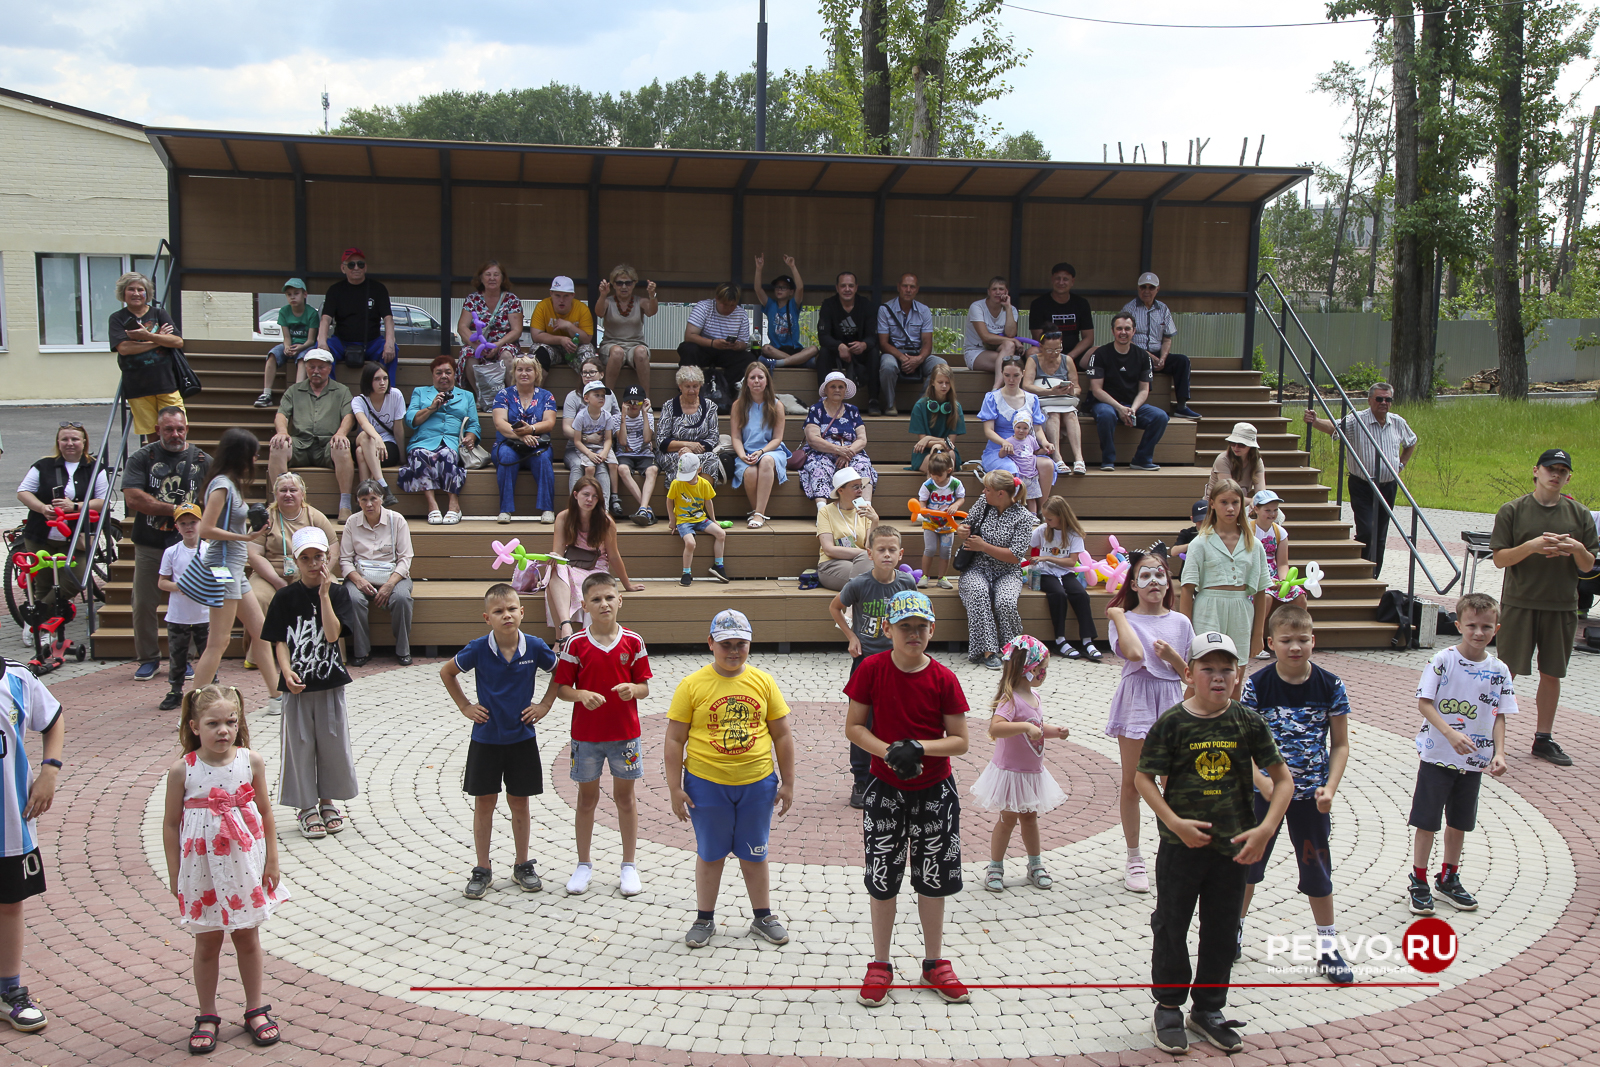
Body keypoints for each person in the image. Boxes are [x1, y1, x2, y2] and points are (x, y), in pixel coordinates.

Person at [1137, 631, 1292, 1056]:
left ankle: (1207, 1009)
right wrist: (1173, 821)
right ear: (1189, 674)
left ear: (1238, 675)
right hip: (1181, 847)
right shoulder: (1173, 722)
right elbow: (1143, 778)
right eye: (1208, 668)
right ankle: (1169, 1006)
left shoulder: (1248, 722)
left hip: (1233, 847)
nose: (1218, 677)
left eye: (1227, 669)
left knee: (1222, 928)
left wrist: (1265, 829)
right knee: (1172, 924)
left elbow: (1283, 781)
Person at [844, 590, 972, 1007]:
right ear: (888, 629)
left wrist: (918, 748)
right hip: (885, 790)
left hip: (935, 791)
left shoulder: (944, 678)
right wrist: (889, 752)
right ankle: (880, 962)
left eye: (921, 627)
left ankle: (933, 962)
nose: (913, 634)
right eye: (905, 627)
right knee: (883, 876)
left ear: (932, 630)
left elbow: (960, 740)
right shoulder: (871, 669)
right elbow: (854, 726)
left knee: (933, 877)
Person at [161, 685, 286, 1053]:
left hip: (243, 865)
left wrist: (272, 859)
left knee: (247, 937)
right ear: (194, 726)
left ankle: (255, 1009)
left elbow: (265, 812)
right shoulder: (183, 770)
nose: (223, 730)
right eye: (213, 723)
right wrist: (175, 872)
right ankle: (207, 1014)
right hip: (201, 869)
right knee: (207, 941)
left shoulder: (251, 761)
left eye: (231, 722)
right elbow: (170, 824)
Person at [665, 609, 796, 949]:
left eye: (741, 644)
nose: (734, 651)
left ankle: (763, 915)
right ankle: (704, 917)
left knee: (755, 852)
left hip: (757, 784)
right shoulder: (692, 685)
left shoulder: (763, 682)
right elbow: (675, 739)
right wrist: (674, 788)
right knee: (711, 854)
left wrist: (788, 782)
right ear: (711, 643)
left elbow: (782, 734)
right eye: (726, 644)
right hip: (706, 785)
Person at [1237, 604, 1354, 982]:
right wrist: (1262, 783)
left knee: (1317, 870)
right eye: (1286, 640)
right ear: (1271, 643)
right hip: (1264, 797)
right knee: (1247, 867)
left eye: (1303, 639)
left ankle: (1328, 946)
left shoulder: (1330, 685)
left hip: (1310, 799)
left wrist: (1330, 788)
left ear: (1313, 641)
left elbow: (1340, 744)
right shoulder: (1258, 685)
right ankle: (1232, 932)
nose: (1295, 647)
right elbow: (1242, 745)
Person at [440, 584, 559, 899]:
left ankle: (523, 864)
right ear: (487, 618)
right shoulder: (478, 648)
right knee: (484, 803)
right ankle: (482, 868)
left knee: (520, 802)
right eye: (498, 611)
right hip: (486, 740)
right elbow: (447, 672)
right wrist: (465, 706)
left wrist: (544, 705)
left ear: (522, 612)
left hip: (522, 739)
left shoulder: (534, 647)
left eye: (511, 609)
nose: (506, 615)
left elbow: (561, 673)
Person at [1406, 592, 1516, 916]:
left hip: (1474, 762)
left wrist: (1499, 753)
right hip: (1437, 757)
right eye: (1471, 626)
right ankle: (1419, 880)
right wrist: (1450, 734)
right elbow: (1424, 703)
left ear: (1496, 628)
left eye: (1486, 627)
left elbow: (1499, 715)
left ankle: (1448, 878)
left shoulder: (1499, 670)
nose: (1478, 633)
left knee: (1459, 822)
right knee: (1427, 821)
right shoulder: (1443, 661)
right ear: (1458, 625)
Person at [1488, 448, 1597, 767]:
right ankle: (1487, 734)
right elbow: (1499, 559)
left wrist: (1576, 548)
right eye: (1551, 469)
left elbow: (1588, 565)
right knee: (1506, 672)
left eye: (1562, 471)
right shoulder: (1513, 510)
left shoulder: (1580, 515)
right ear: (1536, 471)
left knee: (1552, 673)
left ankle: (1543, 738)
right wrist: (1532, 547)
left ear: (1568, 477)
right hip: (1520, 603)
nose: (1556, 475)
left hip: (1561, 606)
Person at [553, 573, 652, 897]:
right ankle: (583, 864)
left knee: (625, 798)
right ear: (584, 605)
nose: (604, 604)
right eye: (596, 599)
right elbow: (562, 689)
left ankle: (629, 866)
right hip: (586, 737)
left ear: (620, 600)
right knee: (586, 800)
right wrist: (581, 695)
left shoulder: (633, 642)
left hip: (625, 735)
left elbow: (644, 687)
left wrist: (633, 689)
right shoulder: (575, 644)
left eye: (609, 597)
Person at [262, 527, 360, 840]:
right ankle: (305, 806)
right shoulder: (284, 597)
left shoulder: (338, 593)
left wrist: (324, 596)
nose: (313, 563)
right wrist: (285, 670)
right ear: (296, 561)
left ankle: (328, 801)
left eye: (318, 556)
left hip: (329, 681)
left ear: (328, 558)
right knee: (299, 744)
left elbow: (332, 635)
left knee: (332, 743)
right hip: (298, 686)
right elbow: (279, 640)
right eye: (305, 558)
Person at [1105, 548, 1194, 893]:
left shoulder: (1181, 622)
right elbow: (1134, 653)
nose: (1154, 581)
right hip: (1136, 701)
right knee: (1134, 780)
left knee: (1173, 781)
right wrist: (1119, 615)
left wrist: (1172, 656)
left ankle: (1172, 853)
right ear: (1133, 584)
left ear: (1169, 582)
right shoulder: (1123, 619)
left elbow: (1190, 676)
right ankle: (1134, 858)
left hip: (1170, 700)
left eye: (1160, 574)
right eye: (1145, 575)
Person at [189, 429, 282, 717]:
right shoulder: (222, 486)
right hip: (223, 567)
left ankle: (277, 697)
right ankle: (191, 710)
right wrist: (245, 537)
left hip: (233, 568)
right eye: (253, 454)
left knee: (261, 632)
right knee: (219, 641)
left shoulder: (229, 484)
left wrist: (249, 533)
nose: (255, 460)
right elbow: (205, 529)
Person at [971, 635, 1069, 891]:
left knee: (1030, 819)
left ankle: (1035, 864)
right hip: (1011, 773)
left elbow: (1036, 727)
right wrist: (1025, 726)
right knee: (1007, 820)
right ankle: (995, 866)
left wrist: (1055, 731)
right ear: (1031, 669)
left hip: (1031, 773)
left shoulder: (1034, 696)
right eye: (1043, 668)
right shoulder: (1011, 699)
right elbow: (996, 728)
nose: (1045, 673)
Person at [829, 525, 917, 807]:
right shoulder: (859, 584)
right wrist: (851, 636)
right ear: (870, 553)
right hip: (866, 663)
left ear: (901, 554)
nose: (887, 554)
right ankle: (861, 779)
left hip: (897, 663)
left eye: (892, 550)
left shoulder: (906, 583)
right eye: (881, 550)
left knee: (897, 718)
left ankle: (896, 773)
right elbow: (835, 607)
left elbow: (915, 618)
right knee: (862, 722)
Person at [123, 406, 210, 682]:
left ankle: (184, 659)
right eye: (169, 429)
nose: (175, 434)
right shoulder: (142, 457)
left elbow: (215, 499)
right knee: (143, 603)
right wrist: (177, 510)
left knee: (191, 598)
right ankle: (148, 658)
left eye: (180, 429)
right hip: (150, 543)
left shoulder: (203, 460)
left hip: (189, 545)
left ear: (187, 429)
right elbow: (133, 498)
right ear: (157, 430)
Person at [0, 655, 63, 1034]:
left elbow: (52, 719)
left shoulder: (17, 679)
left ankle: (8, 989)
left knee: (10, 903)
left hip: (8, 821)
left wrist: (49, 770)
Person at [1302, 382, 1417, 577]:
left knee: (1380, 535)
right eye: (1379, 399)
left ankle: (1374, 575)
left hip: (1388, 486)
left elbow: (1411, 441)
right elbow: (1335, 428)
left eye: (1388, 399)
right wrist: (1315, 420)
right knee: (1367, 531)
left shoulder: (1397, 422)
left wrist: (1401, 465)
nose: (1384, 403)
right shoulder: (1357, 420)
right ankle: (1360, 570)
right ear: (1370, 400)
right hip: (1362, 486)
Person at [15, 421, 109, 612]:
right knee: (43, 583)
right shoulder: (43, 465)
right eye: (64, 439)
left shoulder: (95, 468)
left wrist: (74, 506)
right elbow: (23, 492)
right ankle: (47, 624)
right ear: (58, 442)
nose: (70, 443)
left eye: (75, 439)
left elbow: (102, 502)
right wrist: (42, 508)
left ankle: (38, 613)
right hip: (41, 535)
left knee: (75, 579)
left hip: (77, 538)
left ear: (84, 442)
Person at [545, 476, 646, 642]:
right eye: (586, 495)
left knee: (567, 583)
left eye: (594, 496)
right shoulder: (563, 517)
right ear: (575, 495)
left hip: (596, 567)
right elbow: (558, 552)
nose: (590, 500)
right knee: (555, 570)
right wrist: (554, 557)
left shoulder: (605, 521)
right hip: (571, 563)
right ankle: (564, 629)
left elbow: (613, 555)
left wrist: (627, 584)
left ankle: (562, 638)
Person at [1181, 478, 1271, 663]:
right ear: (1212, 504)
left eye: (1235, 502)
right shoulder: (1200, 543)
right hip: (1208, 610)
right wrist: (1185, 633)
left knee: (1237, 667)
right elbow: (1187, 589)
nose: (1230, 508)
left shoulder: (1254, 545)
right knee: (1206, 666)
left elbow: (1261, 591)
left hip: (1241, 610)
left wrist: (1258, 634)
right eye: (1224, 502)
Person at [955, 471, 1036, 669]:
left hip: (1008, 571)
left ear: (1001, 493)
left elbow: (1015, 556)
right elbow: (966, 524)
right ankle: (988, 652)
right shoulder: (984, 502)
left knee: (1006, 602)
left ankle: (1013, 649)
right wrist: (961, 530)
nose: (983, 492)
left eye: (987, 489)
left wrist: (984, 546)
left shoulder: (1024, 518)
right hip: (976, 567)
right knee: (978, 592)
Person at [268, 349, 356, 522]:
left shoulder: (341, 391)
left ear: (329, 368)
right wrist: (282, 432)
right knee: (279, 445)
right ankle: (278, 503)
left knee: (342, 445)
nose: (316, 371)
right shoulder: (294, 391)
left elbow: (349, 416)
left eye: (321, 367)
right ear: (306, 368)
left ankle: (345, 505)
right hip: (300, 443)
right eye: (311, 367)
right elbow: (281, 415)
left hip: (327, 445)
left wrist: (341, 433)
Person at [340, 480, 416, 667]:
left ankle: (403, 650)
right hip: (361, 575)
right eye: (363, 499)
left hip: (393, 575)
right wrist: (358, 581)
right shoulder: (352, 522)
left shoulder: (396, 520)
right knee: (353, 599)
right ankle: (361, 651)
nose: (369, 504)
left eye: (373, 498)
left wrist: (389, 584)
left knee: (401, 598)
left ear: (382, 499)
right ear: (358, 502)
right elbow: (345, 560)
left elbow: (405, 558)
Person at [246, 472, 338, 620]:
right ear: (276, 494)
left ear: (302, 494)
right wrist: (277, 581)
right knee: (258, 597)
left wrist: (320, 573)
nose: (288, 494)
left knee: (333, 591)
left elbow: (333, 547)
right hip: (270, 575)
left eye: (293, 490)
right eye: (283, 490)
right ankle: (264, 636)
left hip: (311, 572)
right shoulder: (266, 518)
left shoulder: (315, 517)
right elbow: (253, 554)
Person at [400, 355, 481, 525]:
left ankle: (454, 505)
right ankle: (432, 506)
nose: (443, 376)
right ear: (433, 375)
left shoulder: (466, 396)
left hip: (452, 441)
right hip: (423, 440)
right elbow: (410, 420)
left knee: (447, 454)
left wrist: (470, 437)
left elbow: (474, 424)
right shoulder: (420, 392)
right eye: (438, 373)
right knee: (419, 454)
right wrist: (431, 408)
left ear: (454, 374)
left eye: (448, 372)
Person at [1087, 312, 1168, 471]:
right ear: (1112, 331)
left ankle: (1141, 460)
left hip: (1132, 405)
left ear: (1134, 331)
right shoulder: (1100, 354)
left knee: (1160, 417)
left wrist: (1133, 410)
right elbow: (1096, 390)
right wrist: (1120, 408)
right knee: (1106, 415)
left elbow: (1144, 390)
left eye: (1127, 328)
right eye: (1119, 328)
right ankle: (1108, 460)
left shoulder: (1143, 356)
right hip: (1106, 404)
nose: (1123, 332)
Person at [109, 271, 186, 437]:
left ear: (147, 293)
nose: (136, 293)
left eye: (140, 289)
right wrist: (159, 340)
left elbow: (177, 342)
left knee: (177, 429)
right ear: (123, 293)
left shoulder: (159, 314)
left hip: (167, 383)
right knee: (152, 434)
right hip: (138, 386)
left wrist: (147, 336)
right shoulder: (117, 318)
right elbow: (124, 348)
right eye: (131, 289)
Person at [1121, 272, 1200, 420]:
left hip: (1158, 353)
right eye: (1143, 287)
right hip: (1136, 354)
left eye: (1151, 287)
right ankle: (1137, 406)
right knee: (1140, 361)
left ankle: (1181, 406)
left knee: (1182, 361)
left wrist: (1163, 358)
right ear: (1138, 288)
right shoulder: (1129, 309)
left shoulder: (1163, 309)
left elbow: (1167, 338)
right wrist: (1150, 357)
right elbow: (1124, 339)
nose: (1147, 291)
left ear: (1157, 289)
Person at [156, 504, 212, 712]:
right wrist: (180, 586)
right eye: (183, 523)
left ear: (201, 523)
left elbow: (222, 578)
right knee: (177, 654)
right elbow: (162, 582)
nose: (189, 527)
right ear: (177, 526)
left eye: (193, 522)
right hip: (178, 615)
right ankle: (175, 690)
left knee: (208, 652)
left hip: (205, 614)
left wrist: (206, 585)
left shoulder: (210, 550)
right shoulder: (171, 552)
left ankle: (210, 687)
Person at [491, 355, 559, 525]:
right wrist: (521, 436)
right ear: (514, 372)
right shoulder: (503, 394)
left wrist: (531, 430)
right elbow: (500, 423)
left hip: (537, 444)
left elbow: (549, 423)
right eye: (519, 369)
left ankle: (547, 509)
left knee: (543, 458)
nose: (524, 373)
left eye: (528, 370)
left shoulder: (546, 396)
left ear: (536, 373)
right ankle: (505, 510)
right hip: (508, 443)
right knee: (506, 456)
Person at [1033, 496, 1100, 660]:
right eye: (1045, 518)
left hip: (1065, 571)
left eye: (1050, 519)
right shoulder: (1042, 530)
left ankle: (1087, 640)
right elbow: (1029, 544)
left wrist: (1047, 557)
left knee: (1081, 594)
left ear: (1061, 517)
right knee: (1058, 594)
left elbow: (1071, 561)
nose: (1046, 521)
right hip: (1045, 573)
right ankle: (1060, 639)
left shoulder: (1073, 534)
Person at [315, 248, 396, 382]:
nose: (356, 268)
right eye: (351, 265)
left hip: (372, 343)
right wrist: (322, 341)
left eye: (360, 264)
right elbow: (325, 319)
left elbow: (388, 318)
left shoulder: (378, 289)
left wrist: (390, 342)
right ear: (343, 268)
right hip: (341, 343)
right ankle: (328, 391)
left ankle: (388, 391)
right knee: (320, 353)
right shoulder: (335, 290)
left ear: (365, 267)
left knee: (392, 350)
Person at [876, 273, 948, 416]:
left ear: (917, 289)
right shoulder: (885, 309)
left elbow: (927, 343)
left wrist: (919, 359)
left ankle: (920, 404)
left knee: (941, 365)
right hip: (894, 353)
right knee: (887, 365)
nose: (908, 290)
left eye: (912, 287)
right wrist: (903, 358)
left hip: (917, 354)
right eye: (905, 286)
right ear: (898, 287)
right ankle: (890, 404)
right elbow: (883, 344)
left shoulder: (924, 310)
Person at [730, 362, 791, 529]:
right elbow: (736, 437)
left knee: (766, 461)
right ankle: (757, 511)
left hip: (771, 450)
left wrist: (762, 451)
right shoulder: (738, 405)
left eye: (760, 377)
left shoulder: (777, 405)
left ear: (767, 380)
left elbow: (777, 438)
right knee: (750, 472)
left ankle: (758, 514)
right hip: (746, 451)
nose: (756, 381)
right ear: (746, 382)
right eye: (752, 377)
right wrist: (742, 455)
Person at [455, 260, 523, 409]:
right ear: (481, 278)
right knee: (468, 354)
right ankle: (482, 398)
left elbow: (517, 330)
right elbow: (462, 326)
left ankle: (511, 398)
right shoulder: (472, 299)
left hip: (504, 343)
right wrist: (476, 345)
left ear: (502, 278)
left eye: (496, 274)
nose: (492, 278)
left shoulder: (512, 300)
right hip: (479, 343)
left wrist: (497, 345)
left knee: (507, 355)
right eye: (488, 274)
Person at [802, 371, 876, 505]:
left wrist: (848, 453)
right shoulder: (816, 409)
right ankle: (822, 511)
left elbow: (862, 439)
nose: (837, 390)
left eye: (841, 387)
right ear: (826, 390)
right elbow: (812, 439)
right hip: (822, 452)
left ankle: (865, 509)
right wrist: (838, 450)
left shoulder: (852, 410)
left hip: (851, 452)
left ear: (845, 390)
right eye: (833, 386)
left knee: (863, 465)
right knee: (819, 467)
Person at [979, 359, 1052, 486]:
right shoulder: (992, 398)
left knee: (1047, 465)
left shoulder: (1032, 399)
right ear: (1002, 373)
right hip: (999, 449)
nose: (1011, 380)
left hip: (1025, 449)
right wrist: (1004, 442)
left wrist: (1045, 442)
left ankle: (1041, 500)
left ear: (1023, 373)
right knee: (1010, 469)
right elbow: (988, 430)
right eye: (1007, 375)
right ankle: (1014, 499)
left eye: (1016, 375)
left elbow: (1037, 428)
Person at [1022, 329, 1086, 476]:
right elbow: (1027, 385)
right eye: (1050, 350)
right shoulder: (1033, 360)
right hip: (1044, 401)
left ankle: (1079, 459)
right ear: (1041, 347)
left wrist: (1071, 390)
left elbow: (1077, 388)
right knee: (1054, 414)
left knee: (1071, 415)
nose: (1054, 353)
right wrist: (1051, 391)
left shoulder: (1067, 360)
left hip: (1064, 401)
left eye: (1058, 349)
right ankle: (1057, 457)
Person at [816, 271, 880, 408]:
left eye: (851, 286)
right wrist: (839, 346)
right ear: (837, 288)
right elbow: (823, 336)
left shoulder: (866, 305)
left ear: (856, 287)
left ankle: (873, 400)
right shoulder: (828, 305)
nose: (847, 289)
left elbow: (873, 336)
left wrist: (864, 345)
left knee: (874, 352)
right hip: (837, 352)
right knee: (823, 353)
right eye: (843, 286)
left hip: (860, 352)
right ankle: (824, 400)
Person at [676, 282, 754, 393]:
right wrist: (713, 343)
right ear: (717, 299)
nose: (728, 308)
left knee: (748, 358)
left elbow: (743, 344)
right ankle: (687, 390)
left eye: (732, 305)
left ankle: (726, 392)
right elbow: (689, 336)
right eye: (725, 304)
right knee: (688, 349)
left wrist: (736, 345)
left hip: (727, 352)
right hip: (704, 349)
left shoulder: (742, 314)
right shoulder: (703, 307)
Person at [667, 454, 730, 588]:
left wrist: (713, 520)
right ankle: (686, 572)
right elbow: (669, 500)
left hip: (700, 519)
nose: (687, 479)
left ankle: (718, 566)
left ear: (699, 469)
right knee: (690, 543)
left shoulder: (704, 483)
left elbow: (708, 502)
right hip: (683, 520)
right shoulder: (676, 483)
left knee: (721, 534)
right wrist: (672, 520)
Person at [656, 365, 725, 485]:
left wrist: (693, 450)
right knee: (685, 460)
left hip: (700, 452)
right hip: (674, 454)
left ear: (700, 386)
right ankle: (683, 496)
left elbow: (713, 437)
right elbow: (661, 441)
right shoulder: (669, 406)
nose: (692, 390)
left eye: (695, 386)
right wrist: (687, 445)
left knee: (711, 459)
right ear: (680, 386)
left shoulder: (710, 406)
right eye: (687, 386)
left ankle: (702, 496)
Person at [256, 278, 320, 407]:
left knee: (303, 360)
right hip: (291, 344)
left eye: (296, 293)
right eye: (289, 294)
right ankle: (266, 393)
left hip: (305, 346)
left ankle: (296, 394)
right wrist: (287, 347)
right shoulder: (284, 311)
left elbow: (311, 340)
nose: (292, 297)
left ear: (304, 294)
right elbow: (286, 337)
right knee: (272, 355)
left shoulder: (312, 313)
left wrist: (300, 347)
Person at [594, 265, 657, 393]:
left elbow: (652, 311)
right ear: (613, 284)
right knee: (617, 352)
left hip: (635, 345)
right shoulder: (608, 301)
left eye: (628, 283)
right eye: (619, 283)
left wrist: (652, 295)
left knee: (641, 352)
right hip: (611, 345)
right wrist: (603, 295)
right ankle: (608, 396)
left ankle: (646, 398)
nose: (624, 287)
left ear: (634, 284)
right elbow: (599, 312)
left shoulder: (640, 301)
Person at [349, 363, 405, 509]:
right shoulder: (358, 401)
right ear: (368, 381)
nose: (382, 383)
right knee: (365, 436)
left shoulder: (395, 395)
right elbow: (363, 423)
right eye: (377, 379)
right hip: (367, 440)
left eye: (385, 378)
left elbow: (398, 428)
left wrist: (402, 457)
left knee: (360, 452)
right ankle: (383, 486)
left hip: (387, 448)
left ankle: (364, 497)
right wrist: (377, 438)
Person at [815, 467, 879, 591]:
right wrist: (865, 553)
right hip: (832, 564)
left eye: (861, 486)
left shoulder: (865, 511)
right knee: (870, 577)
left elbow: (869, 547)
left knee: (869, 571)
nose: (860, 490)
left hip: (862, 561)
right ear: (840, 490)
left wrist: (875, 521)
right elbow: (829, 549)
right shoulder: (826, 511)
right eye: (855, 487)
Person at [1248, 489, 1300, 640]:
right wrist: (1266, 580)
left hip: (1274, 573)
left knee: (1299, 595)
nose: (1272, 514)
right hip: (1253, 574)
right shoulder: (1247, 530)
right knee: (1266, 597)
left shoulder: (1280, 532)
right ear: (1256, 509)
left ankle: (1292, 636)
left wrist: (1284, 580)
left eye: (1275, 510)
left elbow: (1282, 563)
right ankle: (1255, 638)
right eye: (1268, 510)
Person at [753, 254, 818, 368]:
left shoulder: (793, 305)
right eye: (777, 287)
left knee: (814, 349)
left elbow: (800, 288)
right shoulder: (770, 305)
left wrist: (792, 266)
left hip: (794, 349)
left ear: (791, 292)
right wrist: (759, 269)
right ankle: (797, 362)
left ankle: (785, 362)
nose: (779, 290)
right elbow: (758, 289)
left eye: (784, 287)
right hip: (776, 350)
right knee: (766, 348)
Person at [1028, 262, 1095, 370]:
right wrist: (1054, 355)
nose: (1061, 282)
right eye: (1058, 278)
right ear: (1052, 279)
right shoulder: (1038, 304)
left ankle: (1095, 382)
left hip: (1075, 354)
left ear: (1072, 281)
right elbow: (1038, 337)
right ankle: (1040, 380)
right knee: (1032, 352)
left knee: (1098, 352)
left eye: (1065, 279)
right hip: (1047, 353)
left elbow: (1089, 338)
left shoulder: (1082, 303)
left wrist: (1069, 357)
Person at [612, 384, 660, 527]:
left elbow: (647, 439)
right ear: (624, 403)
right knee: (622, 469)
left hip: (644, 454)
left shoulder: (648, 417)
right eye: (630, 402)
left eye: (638, 402)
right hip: (625, 454)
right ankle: (646, 509)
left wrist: (645, 413)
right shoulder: (616, 418)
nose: (634, 405)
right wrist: (623, 416)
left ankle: (643, 508)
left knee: (653, 470)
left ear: (644, 402)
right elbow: (622, 441)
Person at [916, 453, 965, 589]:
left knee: (946, 551)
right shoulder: (928, 484)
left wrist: (955, 505)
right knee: (930, 549)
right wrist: (923, 510)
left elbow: (961, 498)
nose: (935, 478)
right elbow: (922, 501)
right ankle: (925, 576)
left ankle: (942, 577)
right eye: (932, 474)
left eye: (938, 475)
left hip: (948, 523)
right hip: (931, 522)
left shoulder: (955, 483)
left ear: (948, 471)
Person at [527, 276, 597, 371]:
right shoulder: (542, 306)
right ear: (551, 293)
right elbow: (536, 336)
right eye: (557, 295)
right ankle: (538, 381)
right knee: (539, 353)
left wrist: (569, 326)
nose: (561, 300)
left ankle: (587, 380)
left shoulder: (582, 309)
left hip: (574, 348)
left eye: (566, 296)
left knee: (588, 357)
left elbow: (587, 339)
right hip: (552, 346)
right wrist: (561, 340)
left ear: (573, 295)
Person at [906, 364, 966, 472]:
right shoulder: (920, 406)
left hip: (947, 450)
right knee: (936, 463)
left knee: (950, 455)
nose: (944, 386)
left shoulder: (956, 407)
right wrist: (938, 441)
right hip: (924, 452)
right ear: (932, 382)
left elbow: (950, 443)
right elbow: (922, 442)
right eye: (940, 382)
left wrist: (928, 438)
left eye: (947, 383)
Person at [963, 276, 1019, 387]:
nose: (998, 292)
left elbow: (1011, 334)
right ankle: (997, 389)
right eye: (994, 289)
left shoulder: (1012, 309)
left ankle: (996, 388)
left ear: (1006, 292)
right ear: (988, 292)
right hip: (976, 351)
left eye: (1001, 289)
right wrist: (1014, 340)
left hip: (1000, 352)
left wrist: (1007, 307)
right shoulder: (977, 307)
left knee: (1009, 346)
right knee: (1011, 365)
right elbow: (985, 337)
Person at [567, 381, 617, 502]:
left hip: (601, 447)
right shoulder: (581, 416)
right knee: (590, 468)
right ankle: (587, 493)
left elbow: (608, 439)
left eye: (603, 395)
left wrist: (604, 452)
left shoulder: (607, 416)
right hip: (586, 448)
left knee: (613, 464)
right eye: (597, 395)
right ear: (586, 398)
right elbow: (577, 441)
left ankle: (614, 495)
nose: (601, 398)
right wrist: (590, 454)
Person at [1006, 413, 1047, 515]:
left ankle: (1033, 516)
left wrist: (1046, 450)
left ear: (1029, 429)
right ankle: (1015, 515)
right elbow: (1001, 455)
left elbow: (1036, 452)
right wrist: (1004, 449)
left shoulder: (1031, 439)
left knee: (1031, 498)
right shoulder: (1009, 441)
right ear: (1014, 427)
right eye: (1018, 427)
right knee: (1016, 496)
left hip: (1031, 475)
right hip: (1019, 475)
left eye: (1025, 428)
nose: (1021, 430)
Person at [1212, 422, 1266, 494]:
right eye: (1232, 443)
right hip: (1217, 500)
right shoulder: (1223, 459)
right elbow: (1228, 493)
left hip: (1240, 499)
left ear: (1251, 446)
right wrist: (1253, 500)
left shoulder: (1256, 461)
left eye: (1241, 444)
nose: (1236, 447)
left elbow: (1260, 490)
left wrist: (1260, 499)